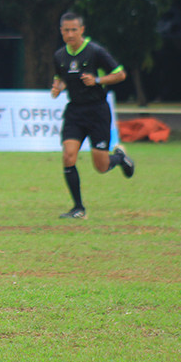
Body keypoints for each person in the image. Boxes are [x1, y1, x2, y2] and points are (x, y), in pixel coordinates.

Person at [51, 12, 134, 219]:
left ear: (82, 30)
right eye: (66, 30)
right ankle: (78, 208)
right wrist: (58, 87)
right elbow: (60, 78)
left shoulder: (95, 51)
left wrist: (98, 80)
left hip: (97, 111)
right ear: (61, 31)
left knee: (101, 166)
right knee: (68, 156)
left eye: (73, 30)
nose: (70, 34)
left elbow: (121, 73)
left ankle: (119, 158)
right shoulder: (59, 55)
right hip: (75, 111)